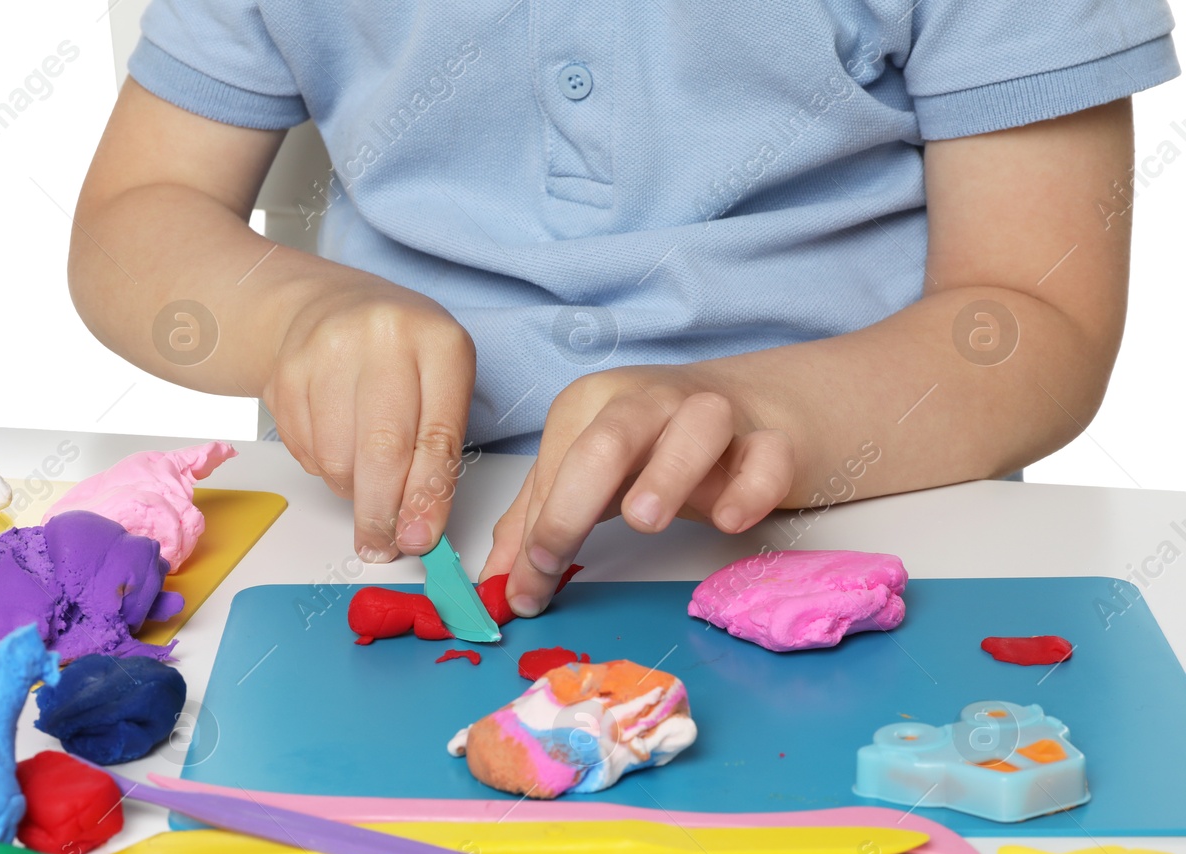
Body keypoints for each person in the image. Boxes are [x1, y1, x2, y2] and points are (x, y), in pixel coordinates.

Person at [67, 2, 1178, 617]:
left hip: (870, 512)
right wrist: (294, 314)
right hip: (378, 544)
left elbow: (1038, 318)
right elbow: (135, 218)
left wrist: (766, 413)